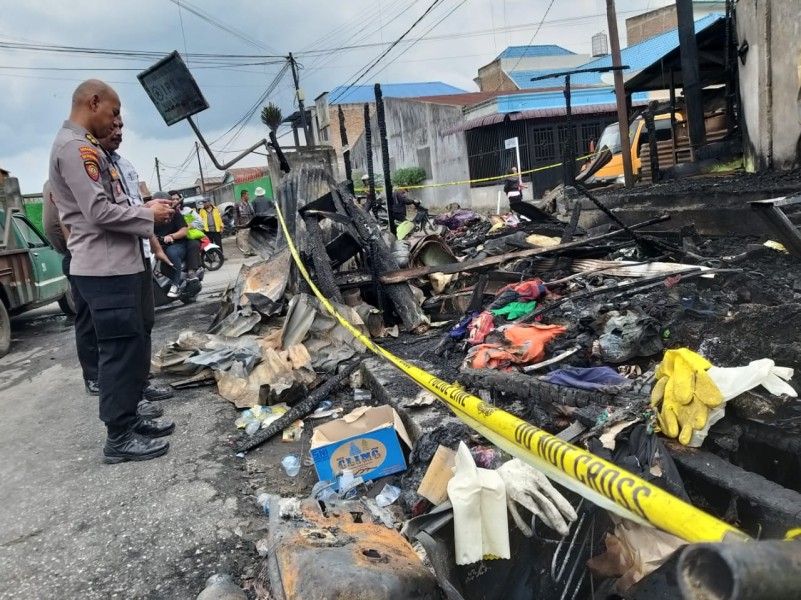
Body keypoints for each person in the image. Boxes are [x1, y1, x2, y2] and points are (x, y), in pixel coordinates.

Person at [49, 79, 175, 463]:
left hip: (118, 264)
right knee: (118, 350)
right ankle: (118, 437)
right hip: (103, 268)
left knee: (132, 343)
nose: (116, 121)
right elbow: (98, 212)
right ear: (94, 102)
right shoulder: (75, 149)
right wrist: (148, 215)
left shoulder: (88, 148)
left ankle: (131, 418)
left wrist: (146, 212)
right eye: (114, 112)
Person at [100, 119, 174, 406]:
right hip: (119, 260)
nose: (117, 130)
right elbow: (108, 215)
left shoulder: (124, 165)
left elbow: (139, 219)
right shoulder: (95, 165)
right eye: (111, 123)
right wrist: (146, 211)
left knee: (145, 323)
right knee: (126, 332)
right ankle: (132, 395)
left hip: (140, 253)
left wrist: (155, 248)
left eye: (121, 125)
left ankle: (141, 384)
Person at [154, 191, 192, 297]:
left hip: (177, 245)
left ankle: (176, 284)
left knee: (171, 252)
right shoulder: (151, 218)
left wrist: (171, 236)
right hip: (158, 247)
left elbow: (184, 231)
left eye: (165, 203)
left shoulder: (175, 215)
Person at [234, 189, 255, 257]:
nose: (248, 196)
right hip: (242, 224)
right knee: (243, 239)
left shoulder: (249, 203)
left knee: (250, 238)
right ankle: (246, 252)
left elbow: (252, 213)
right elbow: (235, 215)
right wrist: (237, 225)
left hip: (250, 223)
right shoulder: (237, 204)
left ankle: (251, 251)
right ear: (244, 195)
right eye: (247, 194)